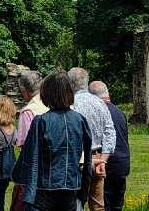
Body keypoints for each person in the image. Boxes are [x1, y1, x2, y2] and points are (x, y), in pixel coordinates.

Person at [13, 71, 92, 211]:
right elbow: (87, 160)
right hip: (70, 188)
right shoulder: (80, 120)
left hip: (44, 191)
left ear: (47, 93)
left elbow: (30, 157)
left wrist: (19, 178)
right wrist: (84, 188)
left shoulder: (41, 121)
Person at [67, 67, 115, 211]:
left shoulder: (70, 103)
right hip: (98, 155)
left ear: (69, 84)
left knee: (75, 201)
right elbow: (110, 133)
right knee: (98, 204)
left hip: (78, 157)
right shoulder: (99, 102)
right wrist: (103, 160)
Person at [89, 81, 129, 211]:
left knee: (105, 204)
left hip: (107, 163)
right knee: (117, 205)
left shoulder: (100, 112)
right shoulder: (119, 112)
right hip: (122, 163)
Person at [12, 70, 48, 211]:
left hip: (34, 173)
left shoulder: (28, 112)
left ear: (24, 90)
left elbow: (26, 146)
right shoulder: (51, 105)